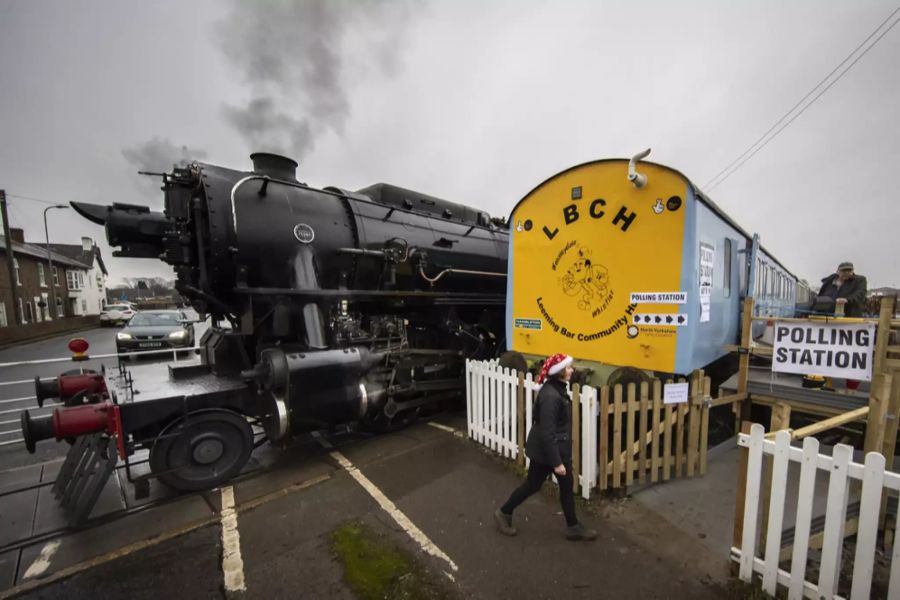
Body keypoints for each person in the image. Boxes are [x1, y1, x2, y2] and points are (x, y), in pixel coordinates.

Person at [494, 353, 597, 541]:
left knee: (566, 486)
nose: (572, 370)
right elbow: (547, 432)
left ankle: (572, 526)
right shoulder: (551, 395)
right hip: (547, 451)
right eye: (568, 368)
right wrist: (557, 462)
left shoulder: (556, 389)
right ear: (559, 372)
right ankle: (504, 512)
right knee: (532, 485)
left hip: (556, 449)